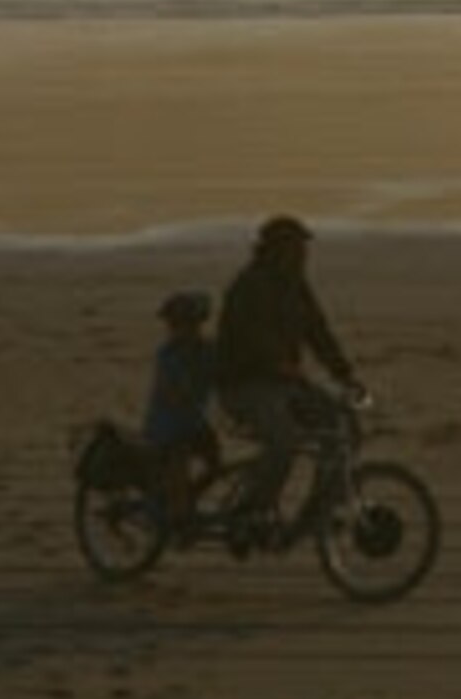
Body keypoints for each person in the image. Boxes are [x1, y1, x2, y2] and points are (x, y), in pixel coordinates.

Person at [212, 214, 361, 540]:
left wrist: (345, 374)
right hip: (244, 386)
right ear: (277, 250)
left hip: (284, 383)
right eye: (298, 248)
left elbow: (318, 332)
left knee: (343, 422)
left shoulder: (296, 285)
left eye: (304, 248)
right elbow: (254, 338)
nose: (304, 255)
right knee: (285, 441)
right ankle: (251, 512)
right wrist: (280, 364)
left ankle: (323, 506)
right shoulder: (249, 285)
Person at [139, 289, 221, 532]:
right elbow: (171, 393)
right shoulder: (169, 355)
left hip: (194, 422)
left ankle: (186, 500)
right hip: (167, 427)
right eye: (177, 325)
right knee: (179, 459)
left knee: (216, 464)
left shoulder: (207, 350)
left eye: (188, 324)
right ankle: (177, 514)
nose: (181, 330)